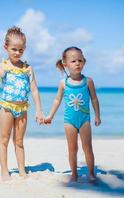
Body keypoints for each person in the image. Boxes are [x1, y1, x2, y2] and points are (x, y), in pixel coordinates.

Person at [0, 26, 44, 181]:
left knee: (19, 141)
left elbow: (35, 90)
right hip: (7, 107)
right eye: (14, 49)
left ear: (24, 49)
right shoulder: (3, 66)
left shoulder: (27, 68)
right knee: (4, 139)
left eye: (21, 50)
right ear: (6, 48)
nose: (17, 53)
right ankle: (4, 171)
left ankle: (21, 170)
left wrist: (38, 110)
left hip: (22, 108)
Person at [44, 46, 101, 182]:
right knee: (72, 149)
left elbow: (94, 98)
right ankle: (74, 174)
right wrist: (50, 116)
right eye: (73, 61)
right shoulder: (63, 83)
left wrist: (97, 115)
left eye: (80, 60)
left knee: (87, 147)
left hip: (85, 120)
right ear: (65, 64)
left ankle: (91, 173)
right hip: (69, 121)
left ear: (84, 62)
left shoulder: (88, 81)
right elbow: (57, 100)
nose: (77, 64)